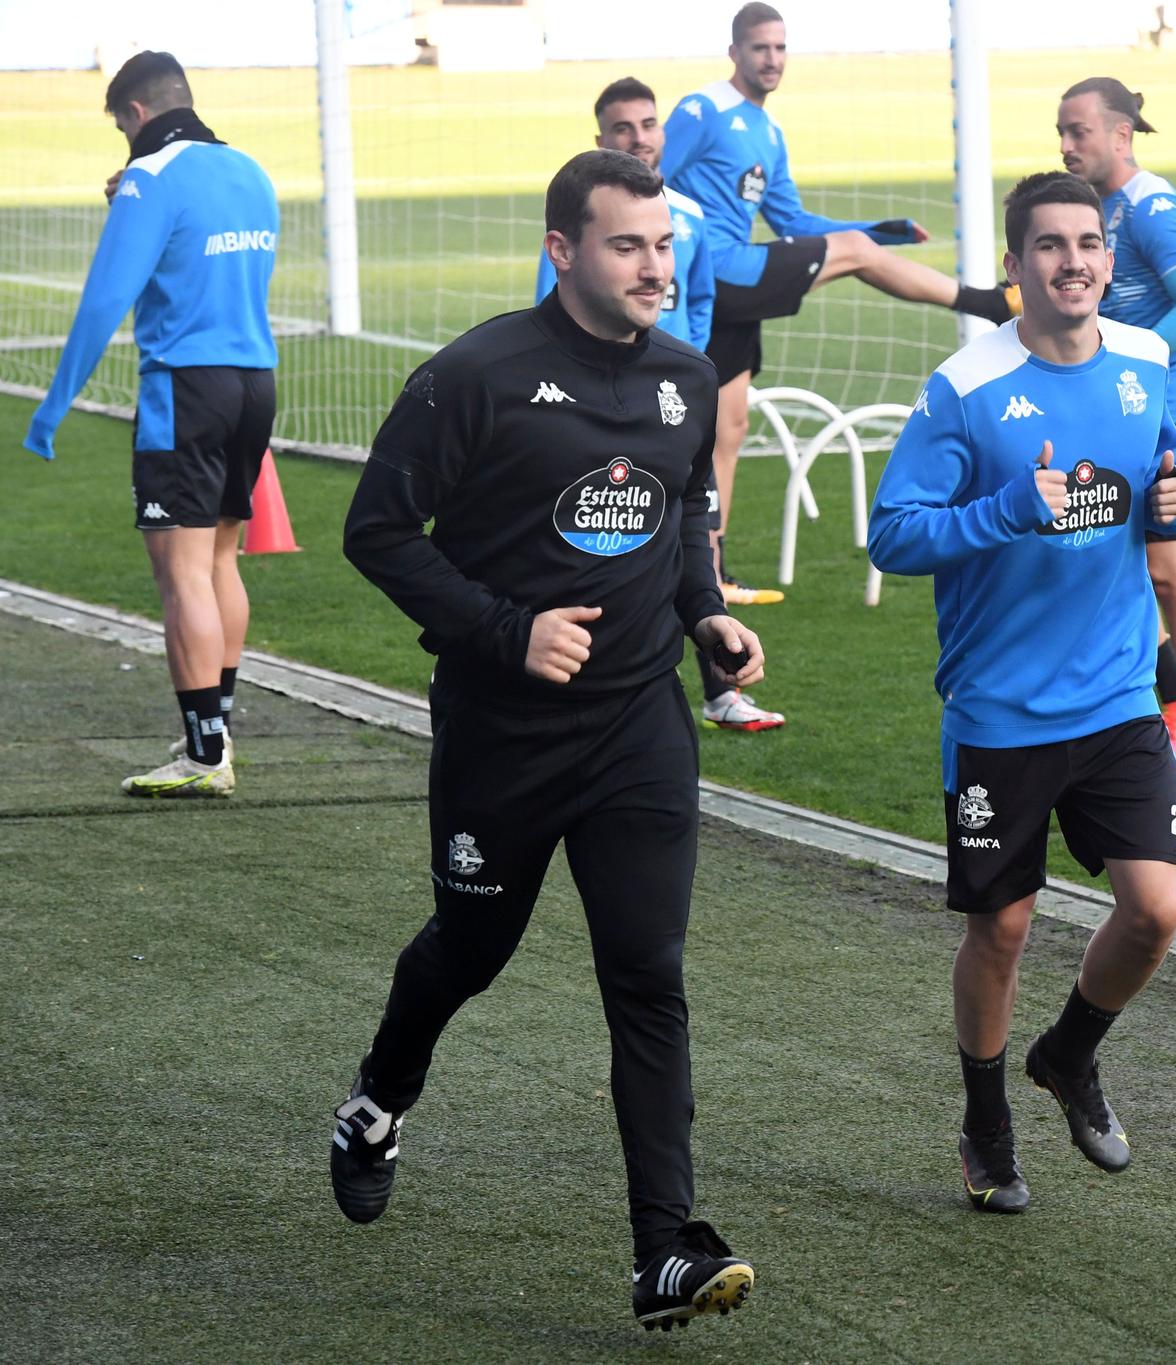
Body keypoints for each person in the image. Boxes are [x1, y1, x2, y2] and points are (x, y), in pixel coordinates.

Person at [333, 149, 760, 1332]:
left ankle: (662, 1251)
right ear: (563, 250)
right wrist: (503, 632)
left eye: (664, 244)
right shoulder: (477, 373)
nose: (654, 268)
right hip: (501, 735)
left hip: (637, 729)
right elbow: (377, 532)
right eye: (627, 245)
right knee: (468, 953)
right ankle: (379, 1095)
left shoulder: (685, 373)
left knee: (648, 975)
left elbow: (677, 505)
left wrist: (703, 612)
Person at [868, 171, 1176, 1214]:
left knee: (1154, 911)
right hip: (1000, 712)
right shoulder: (962, 388)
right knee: (1001, 930)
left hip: (1115, 699)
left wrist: (1172, 500)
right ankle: (984, 1118)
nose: (1074, 262)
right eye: (1049, 246)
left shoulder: (1147, 362)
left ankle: (1066, 1056)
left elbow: (1154, 491)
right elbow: (892, 535)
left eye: (1089, 243)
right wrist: (1005, 509)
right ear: (1015, 267)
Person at [660, 2, 1019, 608]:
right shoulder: (703, 109)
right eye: (759, 48)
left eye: (779, 48)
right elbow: (652, 176)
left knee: (729, 429)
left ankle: (710, 567)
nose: (771, 59)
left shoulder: (768, 133)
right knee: (702, 426)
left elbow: (791, 221)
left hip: (737, 291)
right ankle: (985, 302)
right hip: (716, 270)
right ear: (734, 53)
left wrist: (872, 231)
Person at [23, 50, 278, 798]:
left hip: (183, 391)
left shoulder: (148, 179)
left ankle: (203, 755)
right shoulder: (250, 172)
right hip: (254, 383)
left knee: (181, 574)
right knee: (221, 559)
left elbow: (105, 300)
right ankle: (216, 731)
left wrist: (54, 401)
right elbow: (202, 263)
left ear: (134, 115)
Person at [531, 76, 782, 734]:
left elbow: (699, 301)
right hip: (599, 401)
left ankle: (721, 687)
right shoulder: (577, 234)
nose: (638, 138)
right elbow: (548, 308)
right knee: (601, 531)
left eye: (647, 125)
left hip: (667, 398)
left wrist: (683, 362)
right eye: (622, 128)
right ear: (602, 139)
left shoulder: (689, 218)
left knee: (694, 527)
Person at [1057, 77, 1176, 777]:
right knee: (1162, 568)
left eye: (1080, 132)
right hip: (1134, 406)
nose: (1069, 145)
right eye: (1062, 133)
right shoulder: (1099, 209)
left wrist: (1132, 367)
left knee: (1151, 566)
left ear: (1120, 134)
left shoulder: (1154, 207)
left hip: (1166, 407)